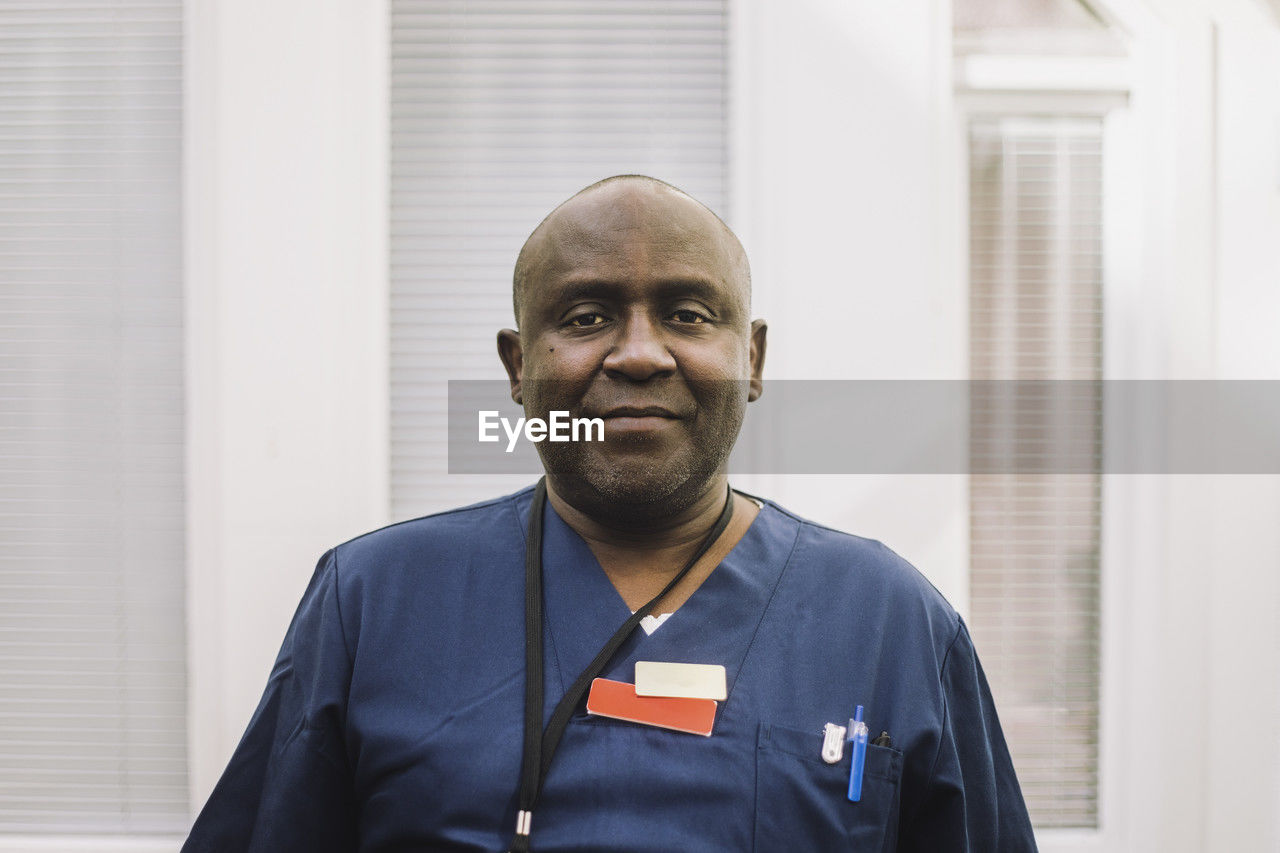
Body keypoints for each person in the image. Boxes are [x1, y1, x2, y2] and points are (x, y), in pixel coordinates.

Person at [183, 175, 1037, 852]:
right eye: (586, 317)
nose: (637, 353)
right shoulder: (372, 601)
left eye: (687, 315)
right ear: (519, 368)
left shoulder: (889, 621)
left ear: (753, 358)